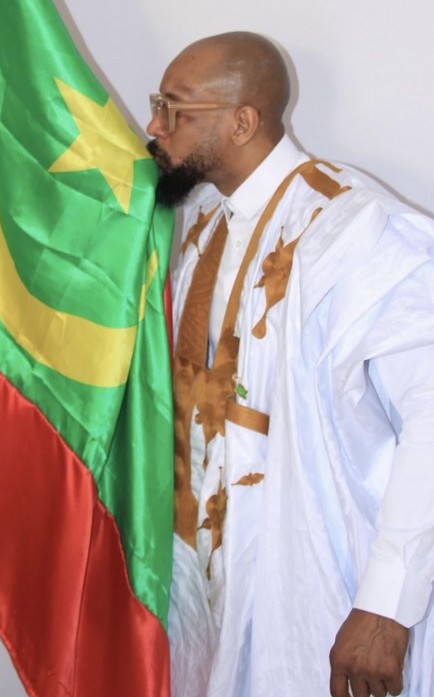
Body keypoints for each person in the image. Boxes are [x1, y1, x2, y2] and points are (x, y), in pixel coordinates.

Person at [146, 31, 434, 697]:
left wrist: (386, 604)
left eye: (173, 109)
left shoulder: (351, 229)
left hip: (323, 596)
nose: (155, 127)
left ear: (242, 122)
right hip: (220, 597)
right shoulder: (205, 230)